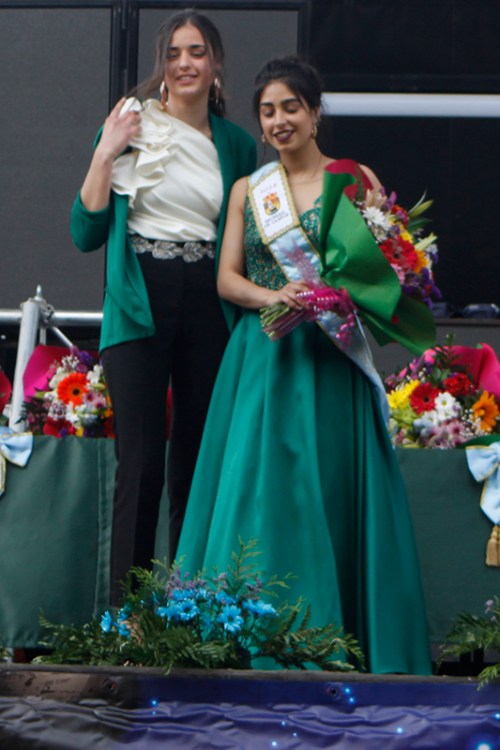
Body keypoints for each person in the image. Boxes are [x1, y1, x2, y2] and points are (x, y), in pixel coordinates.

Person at [176, 57, 432, 674]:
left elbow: (386, 265)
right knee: (259, 493)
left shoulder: (354, 179)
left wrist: (352, 294)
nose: (279, 120)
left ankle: (343, 638)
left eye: (291, 107)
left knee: (334, 489)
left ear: (315, 113)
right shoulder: (249, 190)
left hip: (331, 359)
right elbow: (227, 278)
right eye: (268, 111)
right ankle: (246, 640)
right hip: (265, 358)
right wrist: (278, 295)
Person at [70, 10, 256, 604]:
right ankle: (126, 617)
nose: (185, 63)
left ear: (216, 63)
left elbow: (249, 239)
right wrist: (106, 151)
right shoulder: (132, 122)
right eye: (174, 53)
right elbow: (84, 232)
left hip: (208, 296)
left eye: (196, 51)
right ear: (162, 63)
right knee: (141, 461)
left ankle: (190, 609)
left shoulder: (237, 145)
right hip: (140, 295)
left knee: (198, 463)